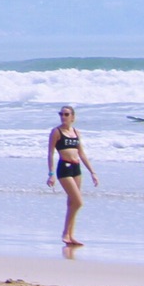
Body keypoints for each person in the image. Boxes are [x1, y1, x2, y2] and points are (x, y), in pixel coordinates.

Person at [45, 106, 98, 247]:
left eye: (66, 114)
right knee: (79, 202)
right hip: (64, 168)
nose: (63, 116)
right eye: (61, 114)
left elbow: (81, 153)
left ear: (73, 117)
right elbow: (50, 153)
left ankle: (70, 235)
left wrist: (92, 172)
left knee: (72, 203)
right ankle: (64, 233)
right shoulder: (56, 132)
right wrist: (50, 174)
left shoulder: (76, 132)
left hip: (76, 169)